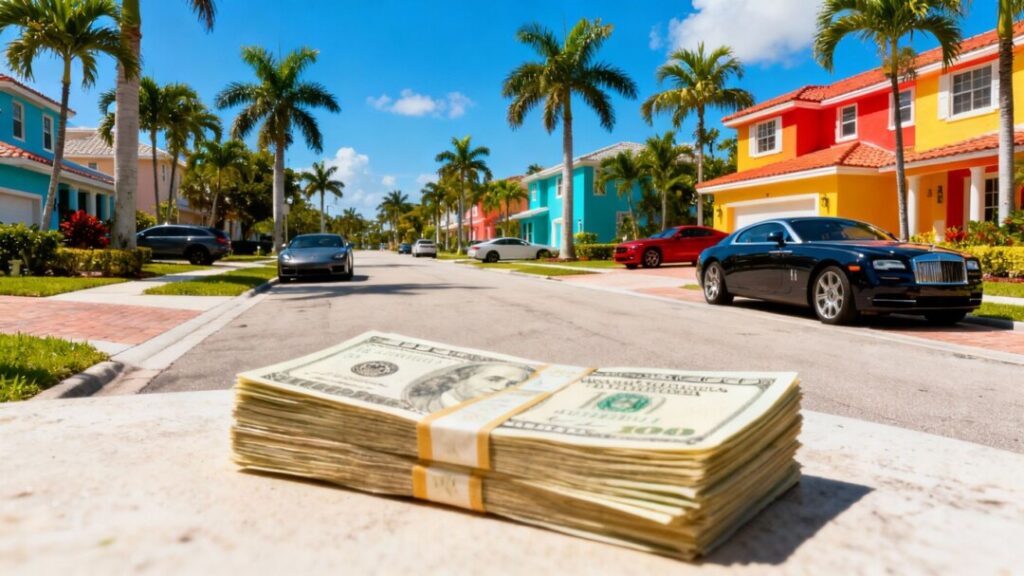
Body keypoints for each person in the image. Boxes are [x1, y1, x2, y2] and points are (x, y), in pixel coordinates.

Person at [403, 362, 535, 414]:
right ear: (460, 379)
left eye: (512, 384)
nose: (501, 388)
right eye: (493, 379)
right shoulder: (419, 403)